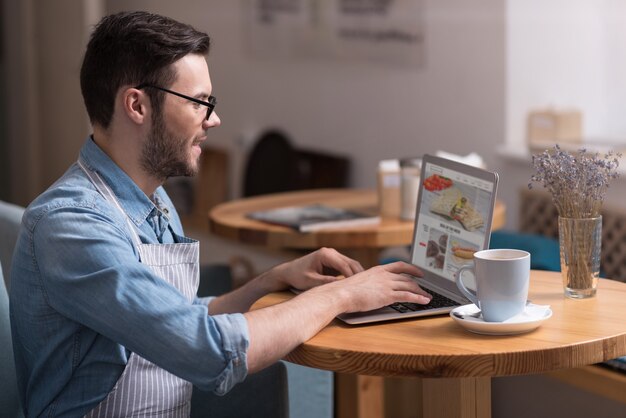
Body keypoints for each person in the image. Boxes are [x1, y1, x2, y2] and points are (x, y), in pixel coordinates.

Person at [9, 11, 431, 417]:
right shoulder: (72, 226)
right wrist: (342, 294)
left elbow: (178, 318)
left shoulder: (151, 200)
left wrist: (271, 280)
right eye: (199, 103)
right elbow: (206, 350)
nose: (214, 120)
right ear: (137, 106)